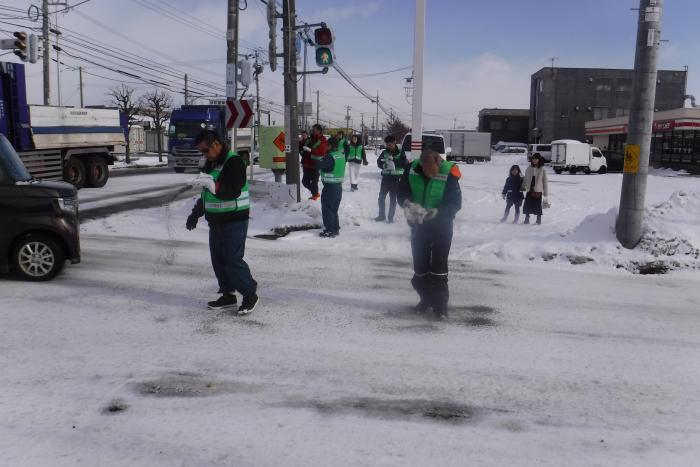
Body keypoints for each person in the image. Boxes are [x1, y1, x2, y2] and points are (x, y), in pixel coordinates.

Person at [186, 130, 259, 314]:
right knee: (218, 260)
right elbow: (206, 193)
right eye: (201, 152)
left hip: (235, 219)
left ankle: (250, 294)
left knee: (233, 260)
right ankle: (228, 295)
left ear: (216, 144)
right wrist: (196, 214)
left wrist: (215, 186)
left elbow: (232, 190)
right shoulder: (211, 163)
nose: (204, 155)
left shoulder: (234, 162)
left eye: (205, 150)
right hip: (216, 221)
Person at [398, 149, 462, 319]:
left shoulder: (449, 172)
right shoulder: (411, 169)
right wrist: (408, 205)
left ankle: (440, 307)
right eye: (426, 172)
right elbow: (402, 191)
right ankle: (425, 300)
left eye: (433, 173)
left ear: (438, 163)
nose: (430, 176)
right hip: (418, 226)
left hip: (442, 226)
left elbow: (455, 203)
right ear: (421, 165)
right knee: (420, 269)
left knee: (439, 270)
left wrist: (437, 213)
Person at [313, 136, 346, 237]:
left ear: (330, 146)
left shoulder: (329, 157)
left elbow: (319, 165)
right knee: (333, 209)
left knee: (327, 208)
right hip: (338, 187)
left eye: (327, 145)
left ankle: (330, 230)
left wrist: (315, 157)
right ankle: (335, 228)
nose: (325, 147)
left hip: (330, 187)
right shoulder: (340, 155)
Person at [375, 135, 407, 223]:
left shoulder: (401, 153)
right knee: (381, 198)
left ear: (394, 143)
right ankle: (381, 215)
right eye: (387, 145)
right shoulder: (384, 152)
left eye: (390, 145)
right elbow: (378, 162)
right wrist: (383, 165)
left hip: (396, 179)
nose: (389, 146)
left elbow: (404, 164)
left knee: (393, 199)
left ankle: (390, 218)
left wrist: (394, 162)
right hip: (386, 178)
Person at [301, 124, 328, 201]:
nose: (312, 130)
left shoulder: (323, 140)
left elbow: (322, 151)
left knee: (314, 183)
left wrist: (310, 150)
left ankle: (314, 196)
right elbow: (302, 148)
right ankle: (315, 193)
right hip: (306, 164)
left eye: (314, 129)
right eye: (312, 129)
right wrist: (301, 143)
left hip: (316, 164)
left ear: (319, 130)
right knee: (305, 182)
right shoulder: (310, 139)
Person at [521, 154, 549, 225]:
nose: (534, 160)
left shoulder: (542, 169)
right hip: (529, 189)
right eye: (533, 159)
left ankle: (538, 220)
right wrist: (522, 187)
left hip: (538, 190)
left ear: (539, 160)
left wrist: (546, 193)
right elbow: (525, 179)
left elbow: (545, 182)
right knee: (527, 204)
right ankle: (526, 219)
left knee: (537, 205)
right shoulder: (529, 168)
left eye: (536, 159)